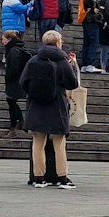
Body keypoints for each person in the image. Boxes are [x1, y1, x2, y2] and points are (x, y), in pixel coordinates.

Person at [20, 29, 79, 188]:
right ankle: (62, 177)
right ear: (58, 42)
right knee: (59, 143)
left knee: (38, 142)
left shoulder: (33, 60)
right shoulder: (62, 61)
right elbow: (72, 84)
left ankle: (39, 177)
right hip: (56, 105)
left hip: (36, 105)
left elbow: (23, 82)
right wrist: (72, 67)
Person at [1, 29, 29, 138]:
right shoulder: (17, 49)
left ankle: (16, 124)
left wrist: (8, 77)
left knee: (11, 101)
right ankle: (17, 123)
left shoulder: (13, 51)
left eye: (3, 39)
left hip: (15, 81)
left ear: (9, 39)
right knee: (11, 101)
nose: (2, 42)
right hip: (18, 80)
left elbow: (13, 67)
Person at [77, 0, 105, 72]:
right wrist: (94, 8)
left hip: (85, 19)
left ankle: (85, 64)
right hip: (92, 19)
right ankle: (90, 64)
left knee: (87, 42)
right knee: (93, 41)